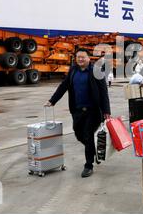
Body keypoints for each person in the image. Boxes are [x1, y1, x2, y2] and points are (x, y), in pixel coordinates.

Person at [45, 48, 111, 178]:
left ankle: (88, 165)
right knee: (78, 134)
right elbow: (63, 86)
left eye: (83, 57)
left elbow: (104, 93)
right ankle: (93, 151)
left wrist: (106, 111)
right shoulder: (73, 71)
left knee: (87, 135)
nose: (80, 59)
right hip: (77, 110)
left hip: (92, 111)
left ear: (88, 58)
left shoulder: (96, 72)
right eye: (78, 57)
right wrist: (52, 101)